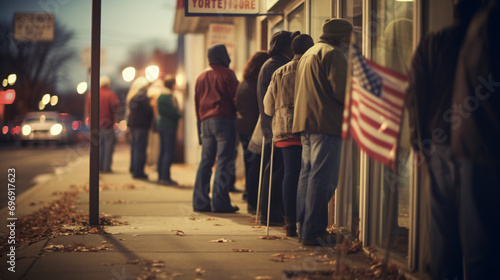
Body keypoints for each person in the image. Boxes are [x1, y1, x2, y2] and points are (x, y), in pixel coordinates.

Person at [405, 0, 482, 278]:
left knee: (442, 220)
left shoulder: (434, 42)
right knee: (480, 226)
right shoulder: (486, 39)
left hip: (440, 140)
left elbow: (415, 95)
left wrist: (418, 142)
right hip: (481, 145)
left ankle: (443, 272)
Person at [451, 0, 500, 278]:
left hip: (473, 147)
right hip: (486, 149)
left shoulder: (479, 26)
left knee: (479, 250)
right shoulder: (489, 23)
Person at [292, 19, 352, 246]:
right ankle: (314, 232)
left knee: (307, 177)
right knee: (323, 179)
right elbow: (342, 91)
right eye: (348, 39)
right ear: (341, 39)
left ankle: (303, 227)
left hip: (306, 123)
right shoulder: (334, 54)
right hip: (326, 124)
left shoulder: (309, 53)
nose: (349, 44)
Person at [263, 34, 314, 237]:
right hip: (307, 129)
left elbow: (268, 106)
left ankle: (289, 222)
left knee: (289, 175)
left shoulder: (278, 72)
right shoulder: (312, 69)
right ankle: (306, 222)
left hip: (284, 130)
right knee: (308, 175)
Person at [256, 30, 300, 225]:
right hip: (278, 125)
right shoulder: (277, 65)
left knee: (274, 168)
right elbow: (272, 102)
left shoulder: (270, 63)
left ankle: (269, 212)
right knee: (276, 169)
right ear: (286, 46)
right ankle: (271, 213)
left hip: (273, 124)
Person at [193, 44, 239, 213]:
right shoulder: (227, 74)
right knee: (224, 161)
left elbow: (197, 104)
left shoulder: (201, 77)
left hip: (205, 122)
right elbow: (236, 99)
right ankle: (220, 203)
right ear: (223, 56)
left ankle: (200, 202)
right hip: (224, 120)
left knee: (205, 161)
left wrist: (200, 125)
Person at [236, 51, 270, 213]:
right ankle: (252, 201)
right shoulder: (257, 84)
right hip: (253, 130)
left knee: (250, 164)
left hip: (242, 128)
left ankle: (249, 195)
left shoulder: (244, 83)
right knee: (255, 166)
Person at [86, 75, 121, 173]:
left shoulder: (91, 94)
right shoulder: (110, 94)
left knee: (97, 146)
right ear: (108, 84)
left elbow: (88, 109)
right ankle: (106, 167)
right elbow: (117, 106)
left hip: (95, 125)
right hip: (107, 125)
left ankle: (98, 167)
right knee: (108, 146)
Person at [156, 75, 181, 186]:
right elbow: (173, 112)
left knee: (162, 151)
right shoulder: (167, 97)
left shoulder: (161, 96)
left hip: (161, 125)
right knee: (168, 152)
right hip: (169, 126)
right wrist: (179, 114)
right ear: (172, 85)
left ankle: (161, 175)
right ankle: (165, 177)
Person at [126, 77, 153, 180]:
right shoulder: (143, 97)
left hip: (134, 126)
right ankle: (139, 172)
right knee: (141, 149)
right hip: (142, 126)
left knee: (135, 148)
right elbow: (149, 110)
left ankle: (134, 168)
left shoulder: (133, 97)